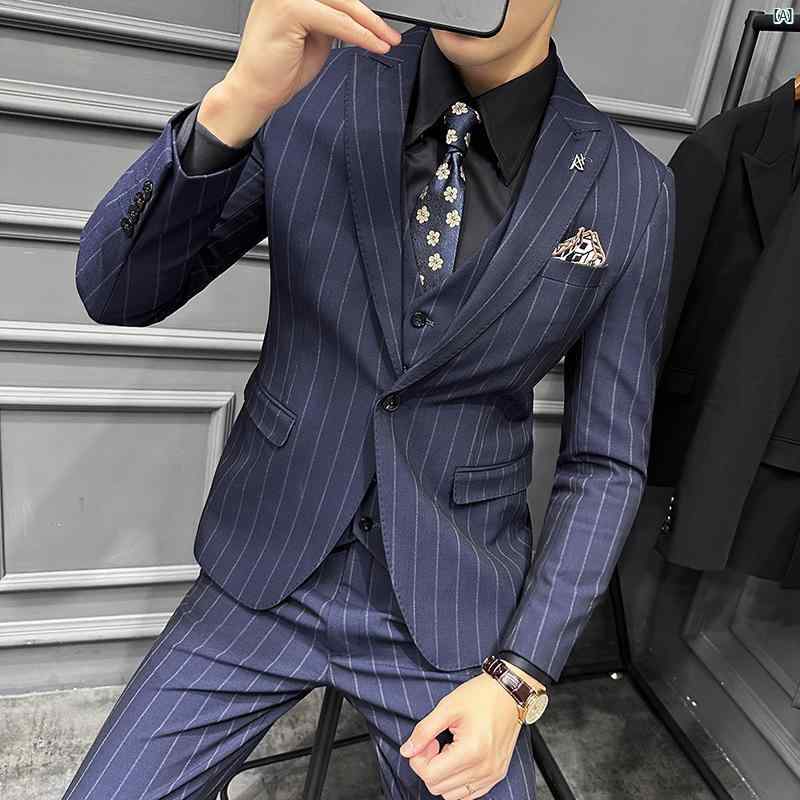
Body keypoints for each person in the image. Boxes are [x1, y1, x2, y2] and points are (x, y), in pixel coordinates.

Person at [64, 1, 675, 798]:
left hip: (450, 601)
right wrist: (240, 98)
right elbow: (115, 290)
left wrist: (518, 677)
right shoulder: (316, 83)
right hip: (267, 563)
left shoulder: (631, 190)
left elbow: (605, 463)